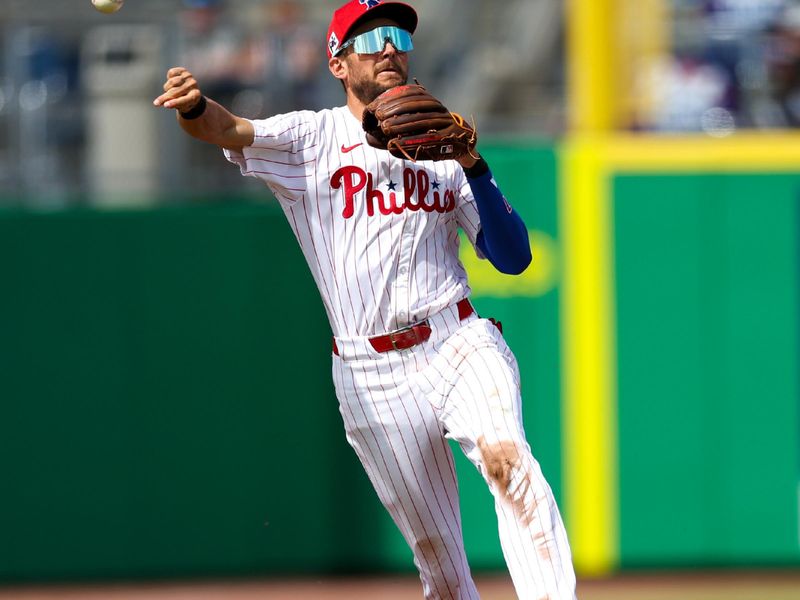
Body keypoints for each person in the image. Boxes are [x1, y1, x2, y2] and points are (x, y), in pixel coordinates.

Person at [153, 1, 577, 597]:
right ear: (337, 61)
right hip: (368, 371)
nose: (389, 48)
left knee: (509, 461)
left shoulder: (444, 146)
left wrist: (473, 165)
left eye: (400, 36)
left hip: (457, 340)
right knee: (441, 567)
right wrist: (195, 106)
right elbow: (226, 129)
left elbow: (513, 257)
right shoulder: (311, 138)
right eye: (371, 36)